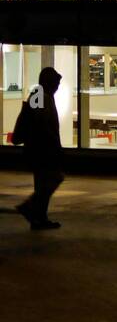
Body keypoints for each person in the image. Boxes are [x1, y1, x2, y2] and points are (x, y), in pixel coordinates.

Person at [12, 66, 65, 231]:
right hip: (43, 149)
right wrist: (54, 145)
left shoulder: (42, 96)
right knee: (52, 179)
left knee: (44, 183)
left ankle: (39, 218)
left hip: (40, 149)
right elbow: (41, 125)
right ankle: (31, 208)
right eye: (56, 83)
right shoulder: (41, 97)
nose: (57, 87)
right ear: (49, 82)